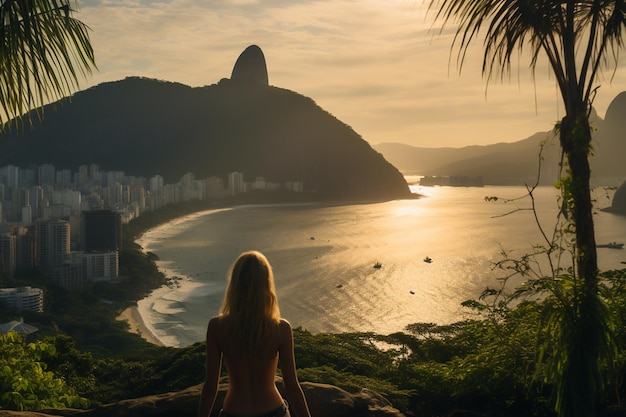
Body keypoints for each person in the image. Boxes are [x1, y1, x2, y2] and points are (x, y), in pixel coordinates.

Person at [197, 251, 312, 417]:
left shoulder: (217, 327)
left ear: (235, 283)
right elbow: (292, 386)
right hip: (274, 411)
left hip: (234, 411)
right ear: (266, 284)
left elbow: (210, 387)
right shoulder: (281, 328)